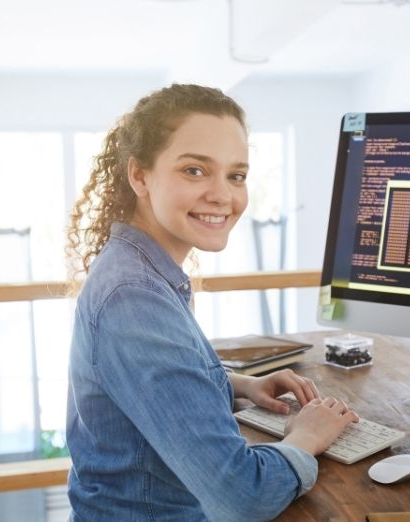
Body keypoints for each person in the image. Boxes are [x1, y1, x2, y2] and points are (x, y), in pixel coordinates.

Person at [64, 83, 359, 521]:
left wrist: (238, 385)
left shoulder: (139, 269)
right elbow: (244, 496)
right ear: (140, 176)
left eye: (236, 175)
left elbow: (155, 385)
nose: (224, 195)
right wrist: (304, 438)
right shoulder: (135, 298)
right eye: (195, 171)